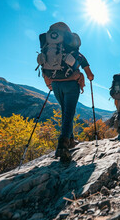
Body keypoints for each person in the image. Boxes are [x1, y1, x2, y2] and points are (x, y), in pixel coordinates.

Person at [39, 22, 94, 162]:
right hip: (71, 84)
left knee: (65, 112)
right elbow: (89, 74)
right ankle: (62, 146)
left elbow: (44, 68)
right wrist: (88, 77)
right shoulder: (77, 53)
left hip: (56, 84)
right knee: (69, 113)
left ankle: (71, 141)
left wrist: (50, 84)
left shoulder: (49, 48)